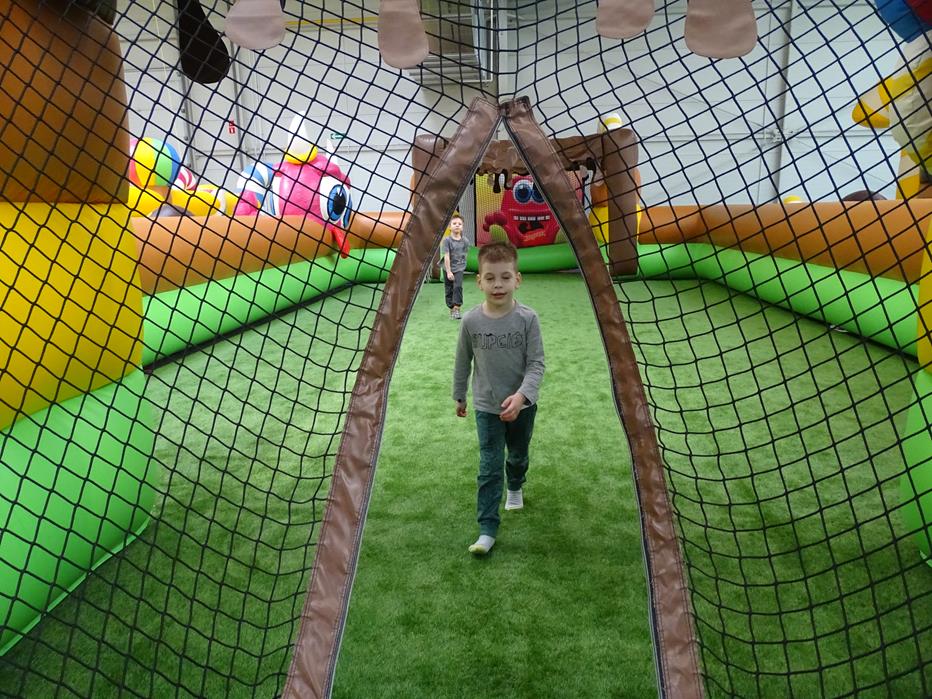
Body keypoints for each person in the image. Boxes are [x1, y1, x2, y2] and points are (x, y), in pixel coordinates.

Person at [452, 241, 545, 555]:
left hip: (523, 406)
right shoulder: (470, 321)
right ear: (479, 281)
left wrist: (521, 397)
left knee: (517, 455)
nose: (498, 285)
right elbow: (463, 361)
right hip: (486, 407)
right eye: (490, 278)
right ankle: (487, 529)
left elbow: (536, 364)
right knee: (489, 467)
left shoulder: (528, 319)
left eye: (505, 277)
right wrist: (459, 395)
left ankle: (515, 484)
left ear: (517, 279)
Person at [441, 214, 468, 319]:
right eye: (454, 223)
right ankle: (451, 308)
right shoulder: (447, 241)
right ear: (450, 226)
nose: (457, 225)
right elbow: (446, 256)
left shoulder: (465, 241)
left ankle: (457, 308)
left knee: (457, 287)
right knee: (449, 289)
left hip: (459, 268)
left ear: (462, 227)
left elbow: (465, 254)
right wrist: (448, 272)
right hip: (447, 267)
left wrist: (462, 266)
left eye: (459, 224)